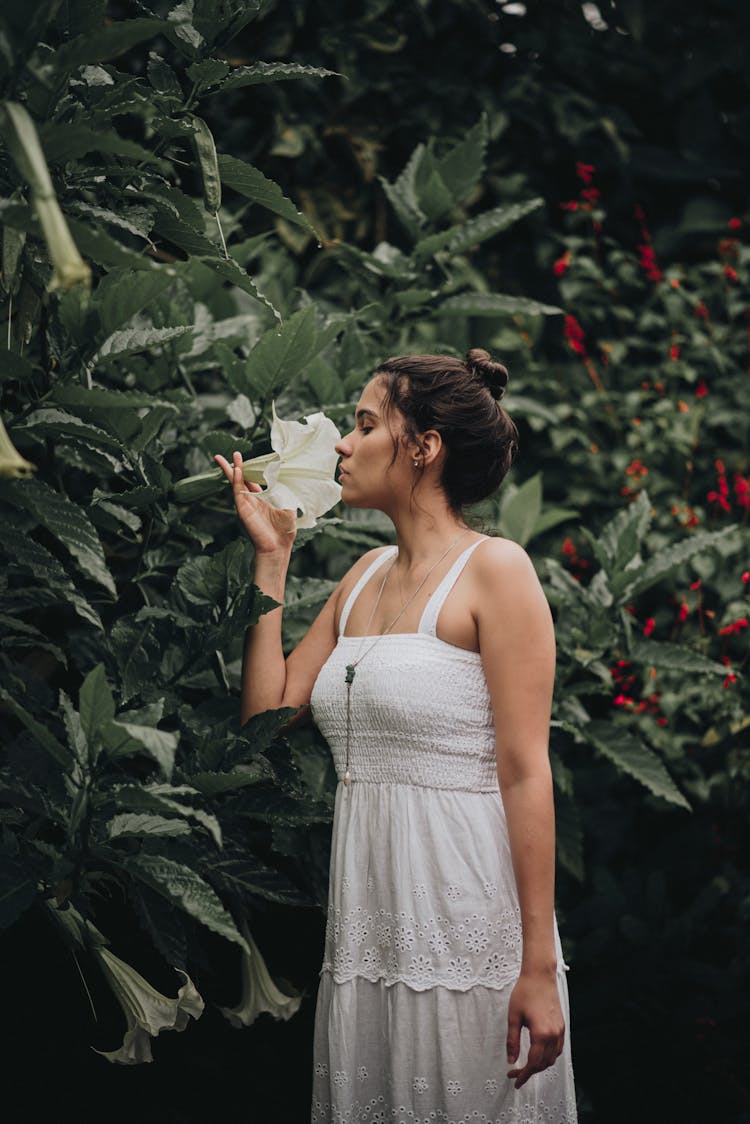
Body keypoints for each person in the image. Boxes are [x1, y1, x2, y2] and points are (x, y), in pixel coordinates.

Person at [214, 349, 578, 1123]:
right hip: (369, 927)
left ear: (424, 446)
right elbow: (263, 721)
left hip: (464, 917)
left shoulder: (496, 572)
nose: (343, 444)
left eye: (364, 424)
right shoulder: (363, 576)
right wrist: (271, 565)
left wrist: (539, 964)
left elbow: (525, 772)